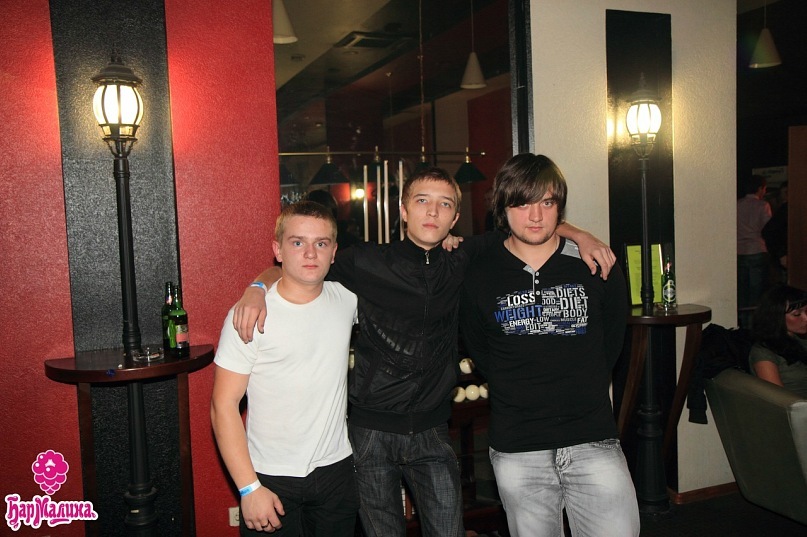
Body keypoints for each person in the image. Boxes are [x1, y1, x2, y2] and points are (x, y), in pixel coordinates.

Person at [232, 167, 617, 537]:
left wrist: (582, 236)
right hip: (371, 434)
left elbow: (531, 224)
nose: (432, 211)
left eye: (444, 204)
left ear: (455, 219)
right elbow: (298, 262)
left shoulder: (463, 256)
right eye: (422, 201)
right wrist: (257, 287)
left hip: (432, 431)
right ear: (403, 210)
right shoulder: (366, 262)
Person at [459, 154, 639, 537]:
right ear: (503, 207)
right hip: (518, 445)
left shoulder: (596, 265)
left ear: (560, 206)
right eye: (522, 203)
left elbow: (611, 343)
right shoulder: (479, 273)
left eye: (547, 202)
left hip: (593, 437)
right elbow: (480, 349)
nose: (536, 216)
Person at [211, 201, 359, 535]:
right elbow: (223, 406)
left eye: (321, 243)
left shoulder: (346, 300)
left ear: (334, 252)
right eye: (297, 242)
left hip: (336, 472)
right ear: (277, 250)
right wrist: (249, 488)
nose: (310, 253)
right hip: (269, 477)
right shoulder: (248, 316)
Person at [749, 284, 807, 398]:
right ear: (777, 317)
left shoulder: (801, 341)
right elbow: (777, 398)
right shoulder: (763, 352)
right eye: (797, 314)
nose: (805, 319)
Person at [737, 174, 772, 328]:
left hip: (739, 251)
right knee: (756, 293)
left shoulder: (737, 205)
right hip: (757, 249)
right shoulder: (762, 206)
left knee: (742, 292)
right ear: (760, 188)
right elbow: (768, 228)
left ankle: (743, 325)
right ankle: (754, 326)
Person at [762, 181, 788, 284]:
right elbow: (768, 231)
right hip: (787, 254)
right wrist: (781, 254)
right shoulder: (786, 209)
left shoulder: (784, 209)